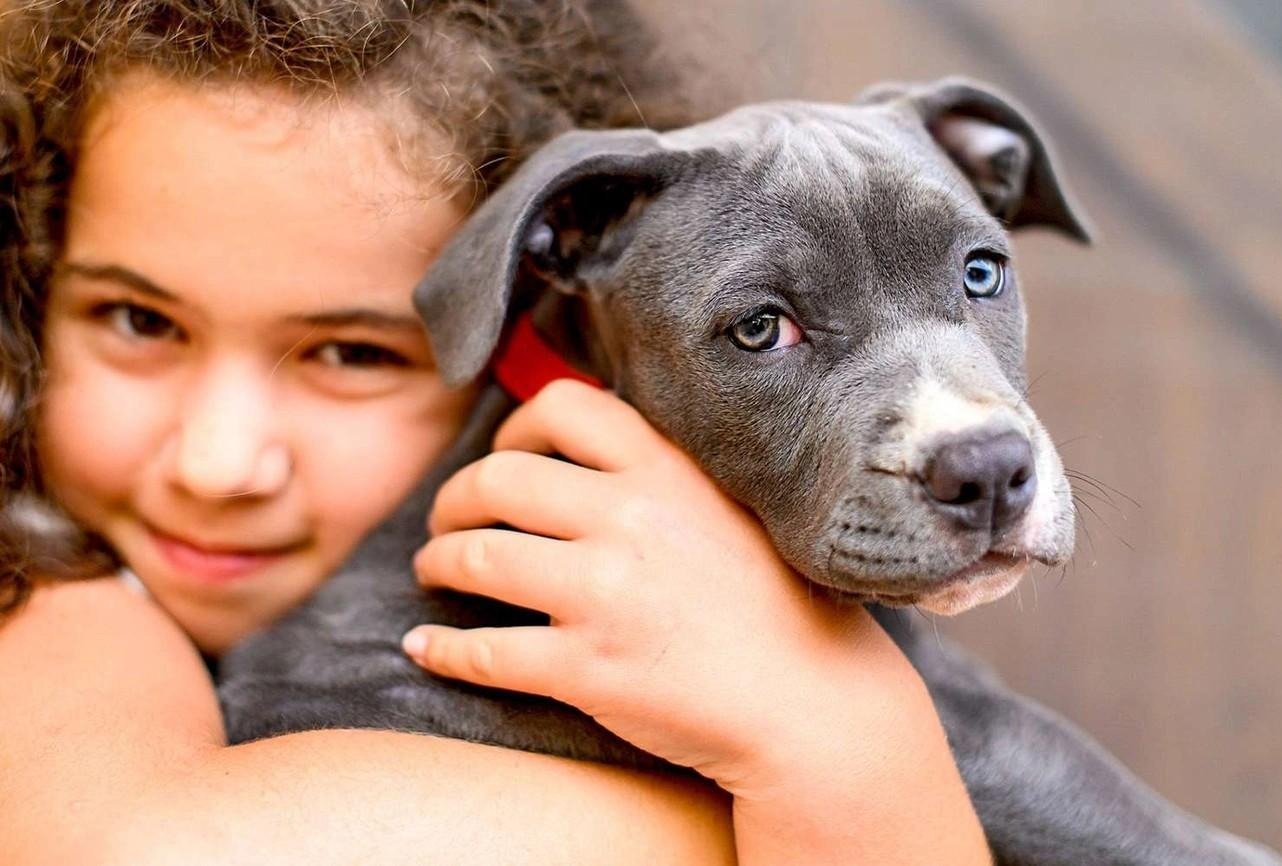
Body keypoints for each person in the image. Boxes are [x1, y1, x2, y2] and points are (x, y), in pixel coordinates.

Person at [0, 3, 991, 864]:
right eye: (140, 321)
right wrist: (842, 752)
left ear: (550, 337)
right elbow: (140, 850)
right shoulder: (39, 588)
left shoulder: (688, 601)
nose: (218, 463)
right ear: (30, 277)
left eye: (351, 353)